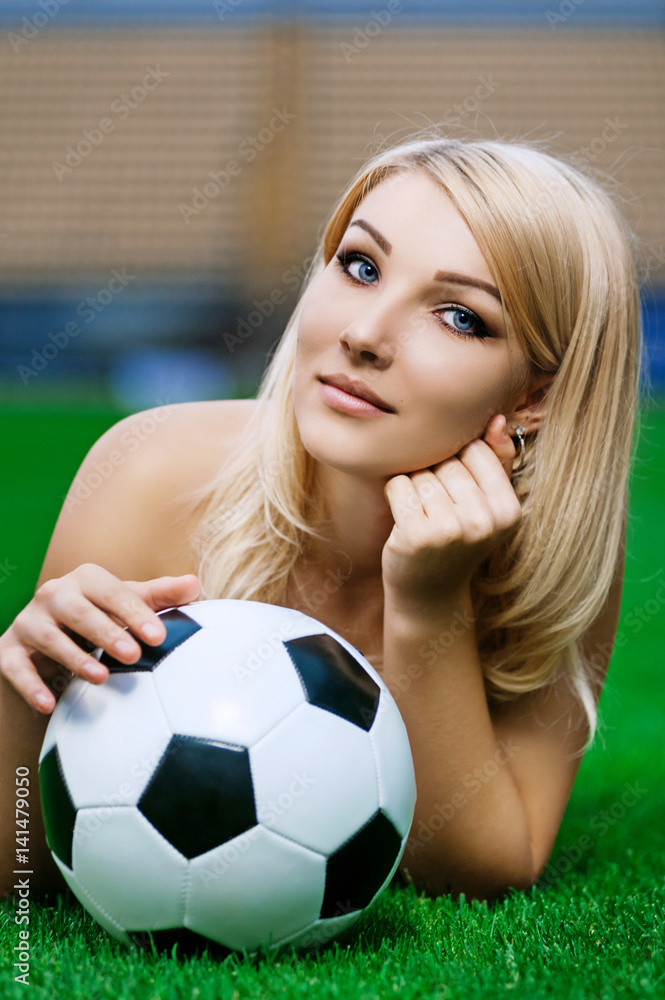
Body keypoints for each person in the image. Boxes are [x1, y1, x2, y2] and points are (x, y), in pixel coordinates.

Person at [0, 130, 641, 903]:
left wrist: (428, 604)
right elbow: (21, 879)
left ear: (533, 396)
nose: (363, 335)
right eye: (360, 267)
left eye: (459, 316)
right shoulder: (150, 470)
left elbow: (481, 869)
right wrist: (23, 690)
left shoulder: (552, 548)